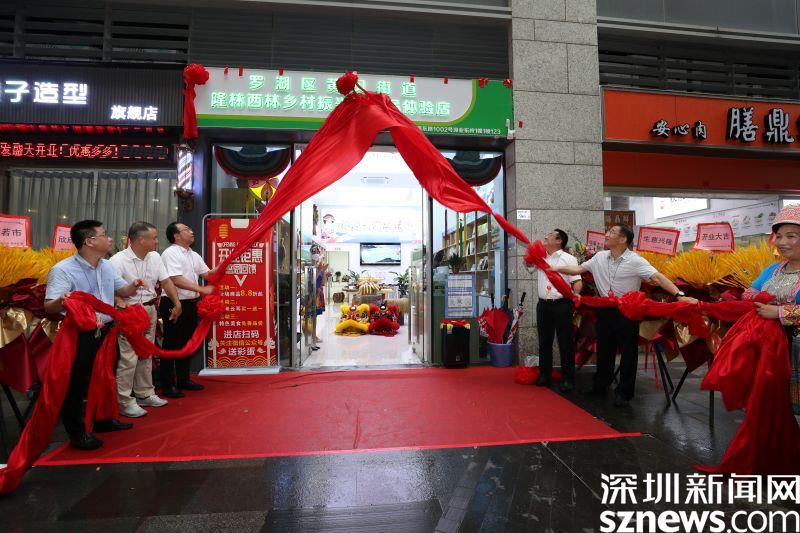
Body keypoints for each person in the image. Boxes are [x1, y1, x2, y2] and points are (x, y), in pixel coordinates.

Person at [551, 224, 697, 407]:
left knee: (628, 352)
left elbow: (657, 277)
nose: (606, 235)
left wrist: (680, 295)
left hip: (627, 311)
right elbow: (578, 269)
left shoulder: (635, 260)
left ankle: (625, 393)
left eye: (611, 232)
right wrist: (554, 269)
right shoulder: (599, 257)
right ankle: (600, 386)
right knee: (604, 350)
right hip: (604, 310)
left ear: (623, 239)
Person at [44, 220, 145, 450]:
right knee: (77, 383)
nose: (109, 238)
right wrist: (62, 300)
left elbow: (123, 290)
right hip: (80, 334)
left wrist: (134, 285)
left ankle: (103, 419)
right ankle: (77, 432)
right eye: (104, 234)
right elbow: (49, 306)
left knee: (106, 376)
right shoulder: (62, 269)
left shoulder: (107, 266)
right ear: (89, 242)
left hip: (106, 331)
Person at [110, 222, 183, 418]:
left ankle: (145, 393)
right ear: (140, 240)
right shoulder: (117, 261)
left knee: (147, 354)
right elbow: (109, 288)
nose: (157, 241)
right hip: (130, 313)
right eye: (154, 238)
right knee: (129, 358)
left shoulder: (155, 257)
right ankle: (124, 401)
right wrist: (118, 302)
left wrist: (177, 303)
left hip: (150, 309)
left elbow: (166, 281)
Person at [744, 206, 800, 415]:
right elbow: (748, 293)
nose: (782, 242)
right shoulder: (773, 269)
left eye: (791, 236)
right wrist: (761, 300)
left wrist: (778, 312)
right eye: (778, 236)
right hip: (773, 346)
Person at [159, 222, 215, 398]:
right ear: (176, 236)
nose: (191, 231)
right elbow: (175, 279)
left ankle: (183, 379)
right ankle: (167, 384)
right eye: (186, 230)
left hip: (191, 304)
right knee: (171, 343)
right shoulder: (170, 253)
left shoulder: (192, 254)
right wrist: (201, 289)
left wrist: (228, 262)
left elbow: (207, 274)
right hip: (173, 303)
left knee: (186, 342)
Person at [535, 229, 583, 392]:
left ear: (559, 241)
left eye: (550, 235)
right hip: (543, 305)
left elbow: (577, 281)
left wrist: (576, 294)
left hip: (562, 304)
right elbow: (529, 267)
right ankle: (544, 375)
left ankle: (568, 378)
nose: (545, 236)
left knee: (565, 343)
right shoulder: (541, 256)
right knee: (544, 342)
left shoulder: (568, 259)